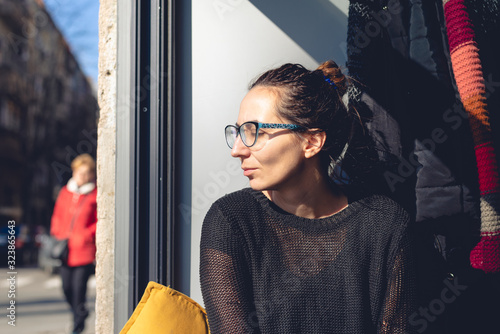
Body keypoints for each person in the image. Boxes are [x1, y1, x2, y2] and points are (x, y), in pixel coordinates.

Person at [200, 61, 417, 333]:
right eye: (240, 132)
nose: (237, 150)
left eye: (256, 132)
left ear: (311, 142)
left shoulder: (386, 226)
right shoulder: (232, 221)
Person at [50, 153, 97, 334]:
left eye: (86, 173)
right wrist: (57, 232)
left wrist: (86, 235)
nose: (83, 176)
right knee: (66, 288)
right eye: (80, 172)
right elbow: (57, 215)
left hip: (84, 251)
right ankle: (81, 313)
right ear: (74, 172)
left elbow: (99, 220)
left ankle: (77, 326)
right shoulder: (65, 192)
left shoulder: (95, 195)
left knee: (78, 291)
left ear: (91, 174)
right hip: (65, 249)